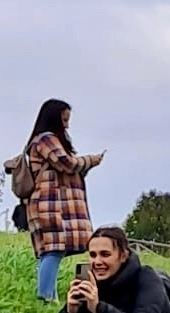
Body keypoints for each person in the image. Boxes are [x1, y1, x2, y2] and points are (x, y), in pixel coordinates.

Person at [25, 98, 106, 303]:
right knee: (53, 250)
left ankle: (48, 295)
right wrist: (91, 160)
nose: (67, 124)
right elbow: (67, 164)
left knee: (53, 251)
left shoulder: (44, 140)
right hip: (51, 205)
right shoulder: (46, 140)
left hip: (54, 204)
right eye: (64, 119)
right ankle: (45, 297)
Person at [61, 227, 170, 313]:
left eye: (105, 254)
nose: (97, 262)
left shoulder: (146, 278)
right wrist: (70, 310)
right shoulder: (90, 284)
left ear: (123, 256)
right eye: (92, 255)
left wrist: (98, 308)